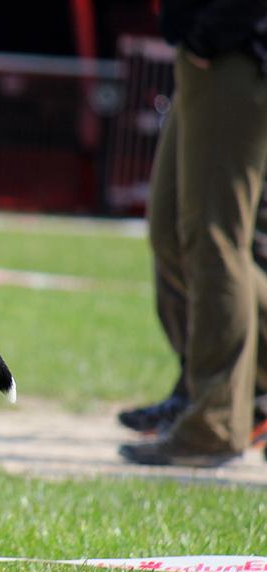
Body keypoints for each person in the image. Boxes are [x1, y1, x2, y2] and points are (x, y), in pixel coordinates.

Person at [118, 0, 267, 467]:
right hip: (210, 47)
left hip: (237, 48)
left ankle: (215, 423)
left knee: (215, 241)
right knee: (173, 232)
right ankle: (243, 394)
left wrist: (216, 30)